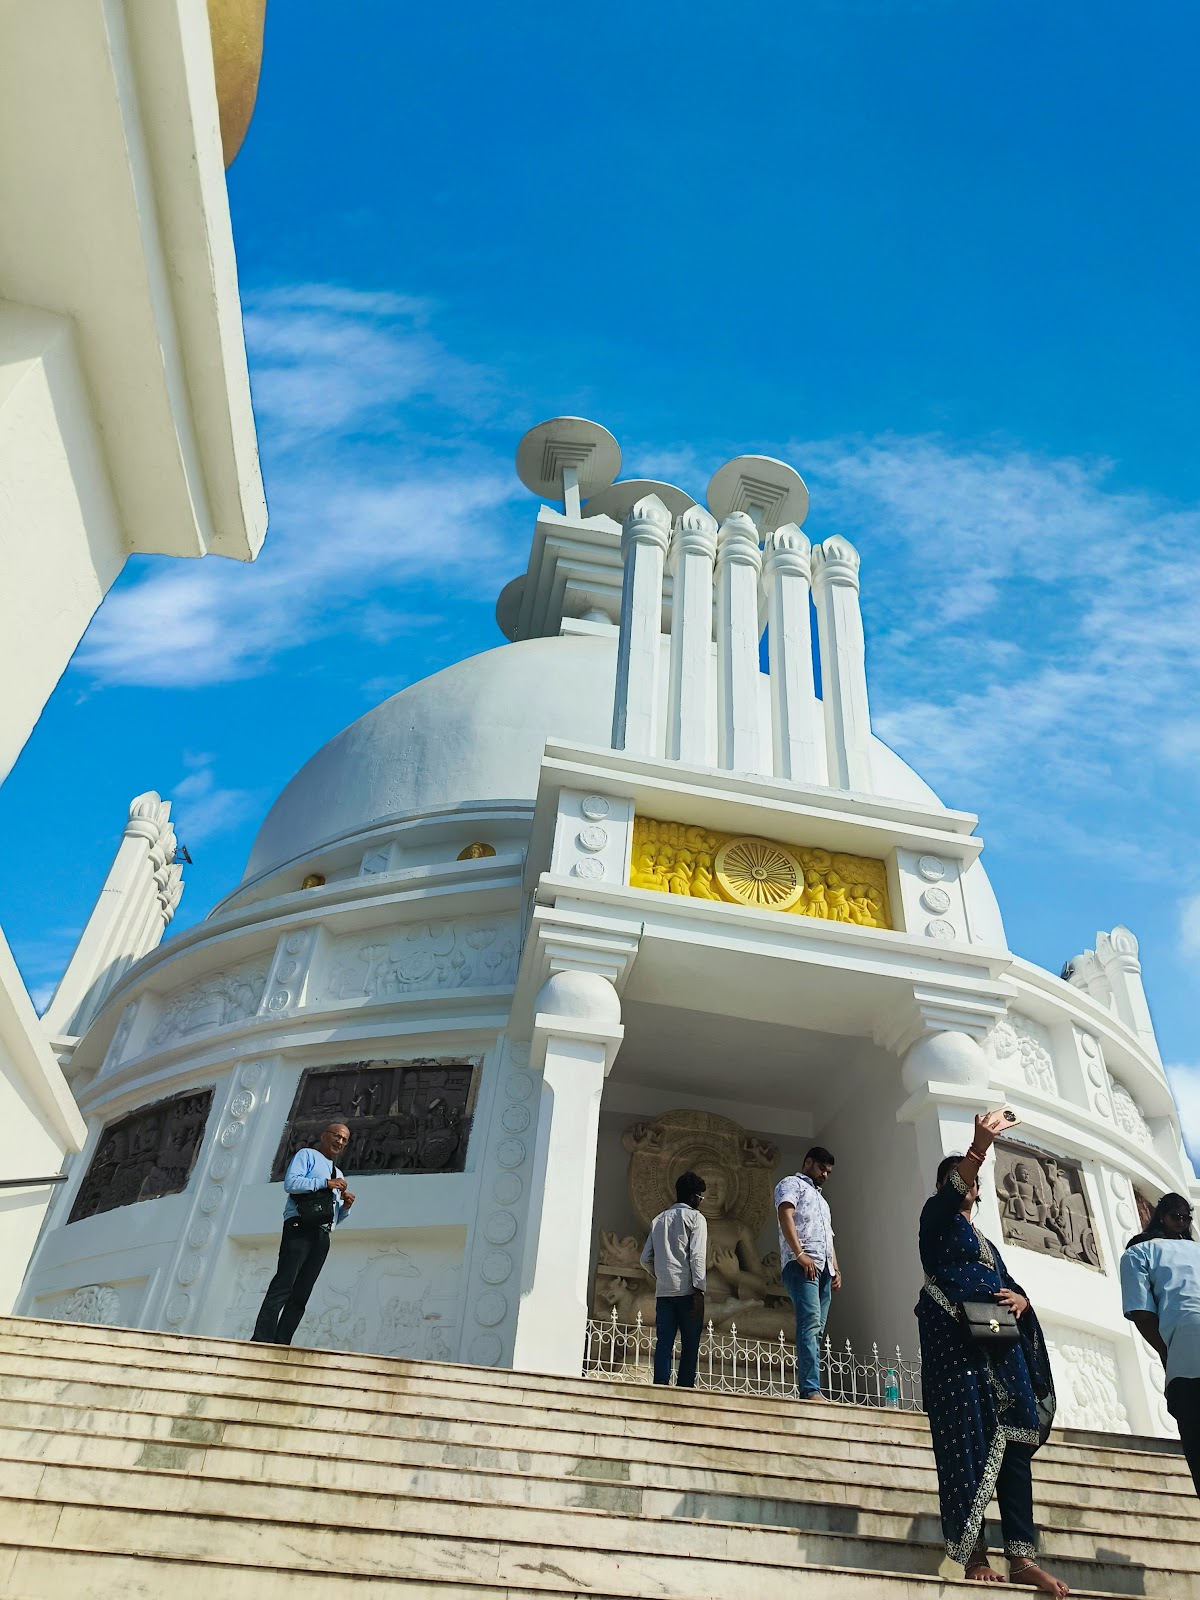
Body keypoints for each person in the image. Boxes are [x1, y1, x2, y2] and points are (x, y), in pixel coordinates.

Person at [916, 1110, 1066, 1594]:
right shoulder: (933, 1221)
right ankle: (973, 1553)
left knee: (1017, 1441)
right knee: (967, 1442)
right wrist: (978, 1147)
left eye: (971, 1178)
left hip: (1001, 1347)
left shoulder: (984, 1243)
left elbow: (1009, 1285)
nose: (969, 1184)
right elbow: (952, 1191)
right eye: (959, 1178)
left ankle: (1022, 1559)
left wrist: (1022, 1300)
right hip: (958, 1350)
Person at [1120, 1192, 1200, 1495]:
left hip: (1187, 1366)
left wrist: (1168, 1353)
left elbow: (1141, 1312)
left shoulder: (1139, 1253)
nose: (1181, 1222)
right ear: (1162, 1217)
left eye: (1185, 1217)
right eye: (1176, 1216)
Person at [251, 1122, 355, 1345]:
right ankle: (261, 1339)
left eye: (344, 1140)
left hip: (322, 1235)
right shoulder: (307, 1155)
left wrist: (345, 1207)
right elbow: (291, 1183)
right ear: (324, 1136)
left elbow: (333, 1216)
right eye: (336, 1136)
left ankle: (281, 1343)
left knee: (301, 1294)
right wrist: (326, 1183)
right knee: (284, 1285)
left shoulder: (338, 1172)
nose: (339, 1141)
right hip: (299, 1227)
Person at [775, 1146, 840, 1401]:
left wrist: (836, 1267)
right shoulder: (791, 1184)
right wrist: (800, 1254)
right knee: (810, 1323)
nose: (824, 1175)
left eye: (828, 1172)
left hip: (823, 1268)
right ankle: (810, 1389)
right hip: (801, 1264)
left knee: (816, 1329)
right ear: (808, 1162)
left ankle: (812, 1387)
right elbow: (785, 1214)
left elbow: (828, 1237)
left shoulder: (822, 1201)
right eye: (821, 1169)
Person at [640, 1171, 708, 1387]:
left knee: (664, 1341)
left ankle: (661, 1382)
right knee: (690, 1343)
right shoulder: (696, 1219)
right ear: (692, 1196)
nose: (701, 1201)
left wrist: (660, 1274)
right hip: (689, 1291)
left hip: (664, 1292)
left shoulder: (658, 1220)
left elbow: (644, 1258)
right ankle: (685, 1386)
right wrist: (699, 1289)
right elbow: (697, 1256)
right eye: (700, 1196)